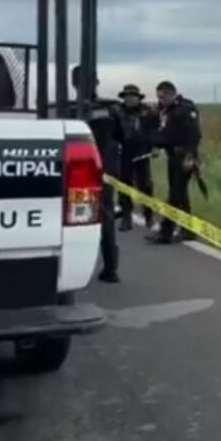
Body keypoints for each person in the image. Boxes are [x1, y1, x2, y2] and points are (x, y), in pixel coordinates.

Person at [70, 64, 122, 282]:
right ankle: (111, 269)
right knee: (105, 215)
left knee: (74, 218)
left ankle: (73, 269)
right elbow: (123, 136)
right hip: (105, 169)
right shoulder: (111, 109)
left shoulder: (67, 109)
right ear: (96, 83)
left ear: (74, 84)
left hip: (76, 170)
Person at [147, 80, 202, 244]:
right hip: (173, 156)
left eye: (163, 97)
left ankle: (166, 232)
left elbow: (195, 134)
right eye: (158, 97)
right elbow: (166, 134)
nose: (160, 100)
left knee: (174, 196)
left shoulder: (185, 109)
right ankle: (188, 230)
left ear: (172, 94)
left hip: (184, 157)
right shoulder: (167, 111)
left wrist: (190, 156)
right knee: (180, 195)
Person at [114, 84, 158, 232]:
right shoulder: (117, 112)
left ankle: (149, 216)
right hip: (125, 152)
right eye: (127, 97)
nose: (130, 99)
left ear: (138, 98)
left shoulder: (148, 112)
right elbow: (113, 132)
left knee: (145, 186)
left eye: (133, 96)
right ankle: (126, 217)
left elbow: (155, 131)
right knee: (124, 186)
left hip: (142, 152)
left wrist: (155, 147)